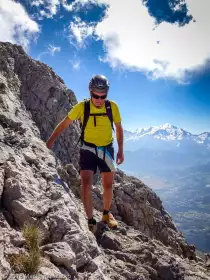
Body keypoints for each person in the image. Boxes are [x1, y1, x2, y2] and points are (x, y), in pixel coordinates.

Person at [46, 75, 124, 233]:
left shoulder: (112, 107)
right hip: (87, 149)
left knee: (108, 185)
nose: (99, 100)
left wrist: (121, 149)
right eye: (95, 96)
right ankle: (90, 220)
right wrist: (50, 141)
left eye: (103, 96)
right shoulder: (82, 107)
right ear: (90, 92)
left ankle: (106, 215)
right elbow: (65, 123)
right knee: (86, 184)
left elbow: (119, 128)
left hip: (106, 149)